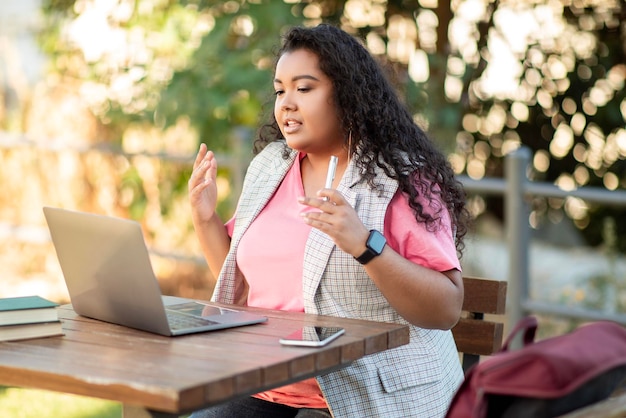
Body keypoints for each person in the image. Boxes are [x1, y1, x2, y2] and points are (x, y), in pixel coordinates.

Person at [187, 23, 471, 418]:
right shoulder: (271, 167)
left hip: (364, 393)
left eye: (304, 89)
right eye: (279, 90)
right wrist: (205, 220)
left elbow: (445, 309)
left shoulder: (403, 178)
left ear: (347, 95)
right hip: (267, 386)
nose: (286, 103)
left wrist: (365, 245)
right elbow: (246, 286)